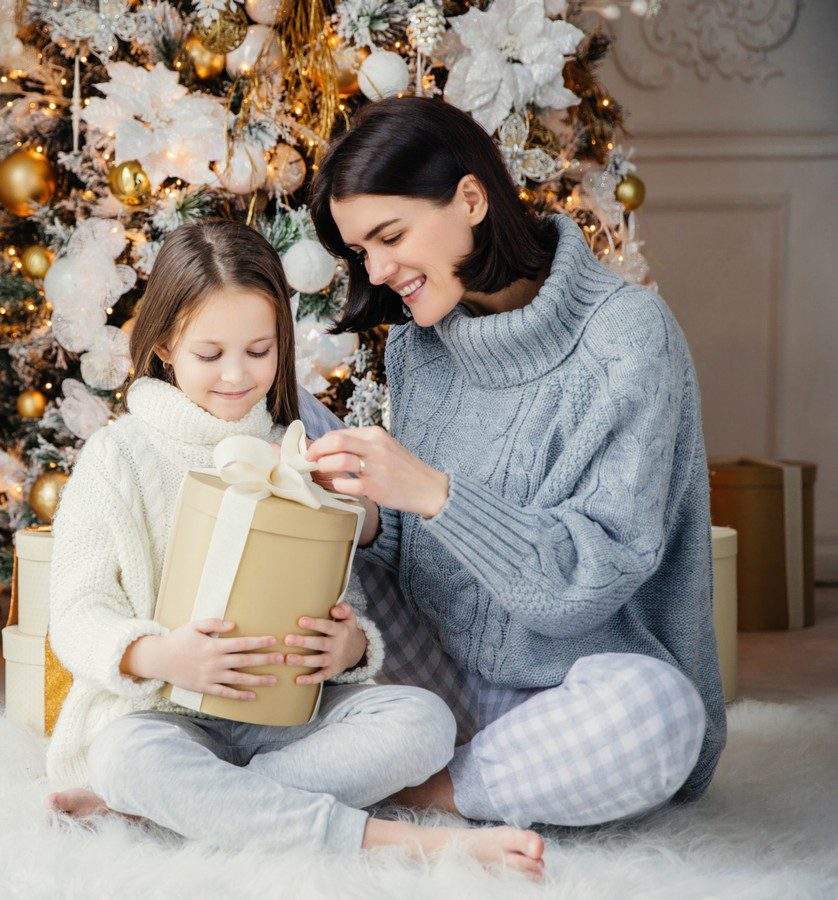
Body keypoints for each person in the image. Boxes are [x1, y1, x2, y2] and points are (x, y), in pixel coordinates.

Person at [44, 218, 546, 875]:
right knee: (123, 757)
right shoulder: (119, 456)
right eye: (210, 354)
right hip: (163, 715)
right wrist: (164, 655)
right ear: (165, 344)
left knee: (422, 722)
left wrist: (352, 646)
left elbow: (341, 599)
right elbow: (76, 616)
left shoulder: (294, 452)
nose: (235, 375)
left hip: (283, 719)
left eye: (258, 351)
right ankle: (397, 843)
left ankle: (183, 806)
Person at [299, 96, 724, 829]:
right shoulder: (419, 350)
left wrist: (432, 492)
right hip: (432, 679)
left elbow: (584, 586)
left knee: (661, 716)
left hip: (568, 695)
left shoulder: (626, 340)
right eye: (361, 251)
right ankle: (250, 743)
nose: (379, 268)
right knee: (282, 407)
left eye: (390, 235)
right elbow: (421, 563)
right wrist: (371, 519)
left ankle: (417, 791)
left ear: (470, 198)